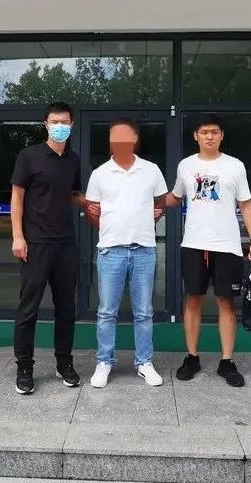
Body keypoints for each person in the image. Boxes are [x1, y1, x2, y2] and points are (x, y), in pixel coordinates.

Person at [165, 114, 251, 387]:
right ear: (195, 136)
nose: (209, 136)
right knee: (192, 300)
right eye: (204, 132)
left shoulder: (235, 166)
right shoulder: (186, 165)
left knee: (226, 303)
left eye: (214, 132)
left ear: (221, 136)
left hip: (226, 246)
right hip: (194, 244)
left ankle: (226, 361)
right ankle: (192, 357)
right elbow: (175, 197)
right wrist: (147, 203)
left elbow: (245, 204)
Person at [85, 118, 168, 388]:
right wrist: (111, 229)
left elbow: (160, 202)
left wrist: (146, 220)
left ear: (134, 140)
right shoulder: (100, 173)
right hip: (111, 252)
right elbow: (92, 211)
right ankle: (104, 362)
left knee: (144, 312)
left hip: (144, 250)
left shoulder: (151, 170)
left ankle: (144, 362)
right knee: (106, 312)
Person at [11, 101, 86, 394]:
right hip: (35, 244)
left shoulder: (73, 160)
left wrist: (98, 205)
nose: (60, 126)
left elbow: (74, 194)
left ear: (72, 125)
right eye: (55, 121)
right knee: (28, 309)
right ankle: (24, 366)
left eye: (65, 122)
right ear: (45, 124)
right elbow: (17, 197)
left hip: (66, 244)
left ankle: (64, 362)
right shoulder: (28, 156)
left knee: (66, 309)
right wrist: (18, 236)